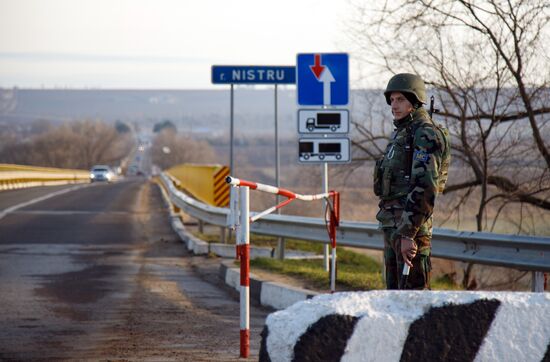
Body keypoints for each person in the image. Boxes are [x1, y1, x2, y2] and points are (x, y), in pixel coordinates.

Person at [373, 73, 451, 290]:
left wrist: (408, 233)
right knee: (394, 299)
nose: (394, 105)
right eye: (392, 99)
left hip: (410, 230)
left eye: (401, 100)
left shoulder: (425, 133)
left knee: (413, 300)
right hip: (393, 226)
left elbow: (425, 187)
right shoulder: (402, 132)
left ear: (415, 102)